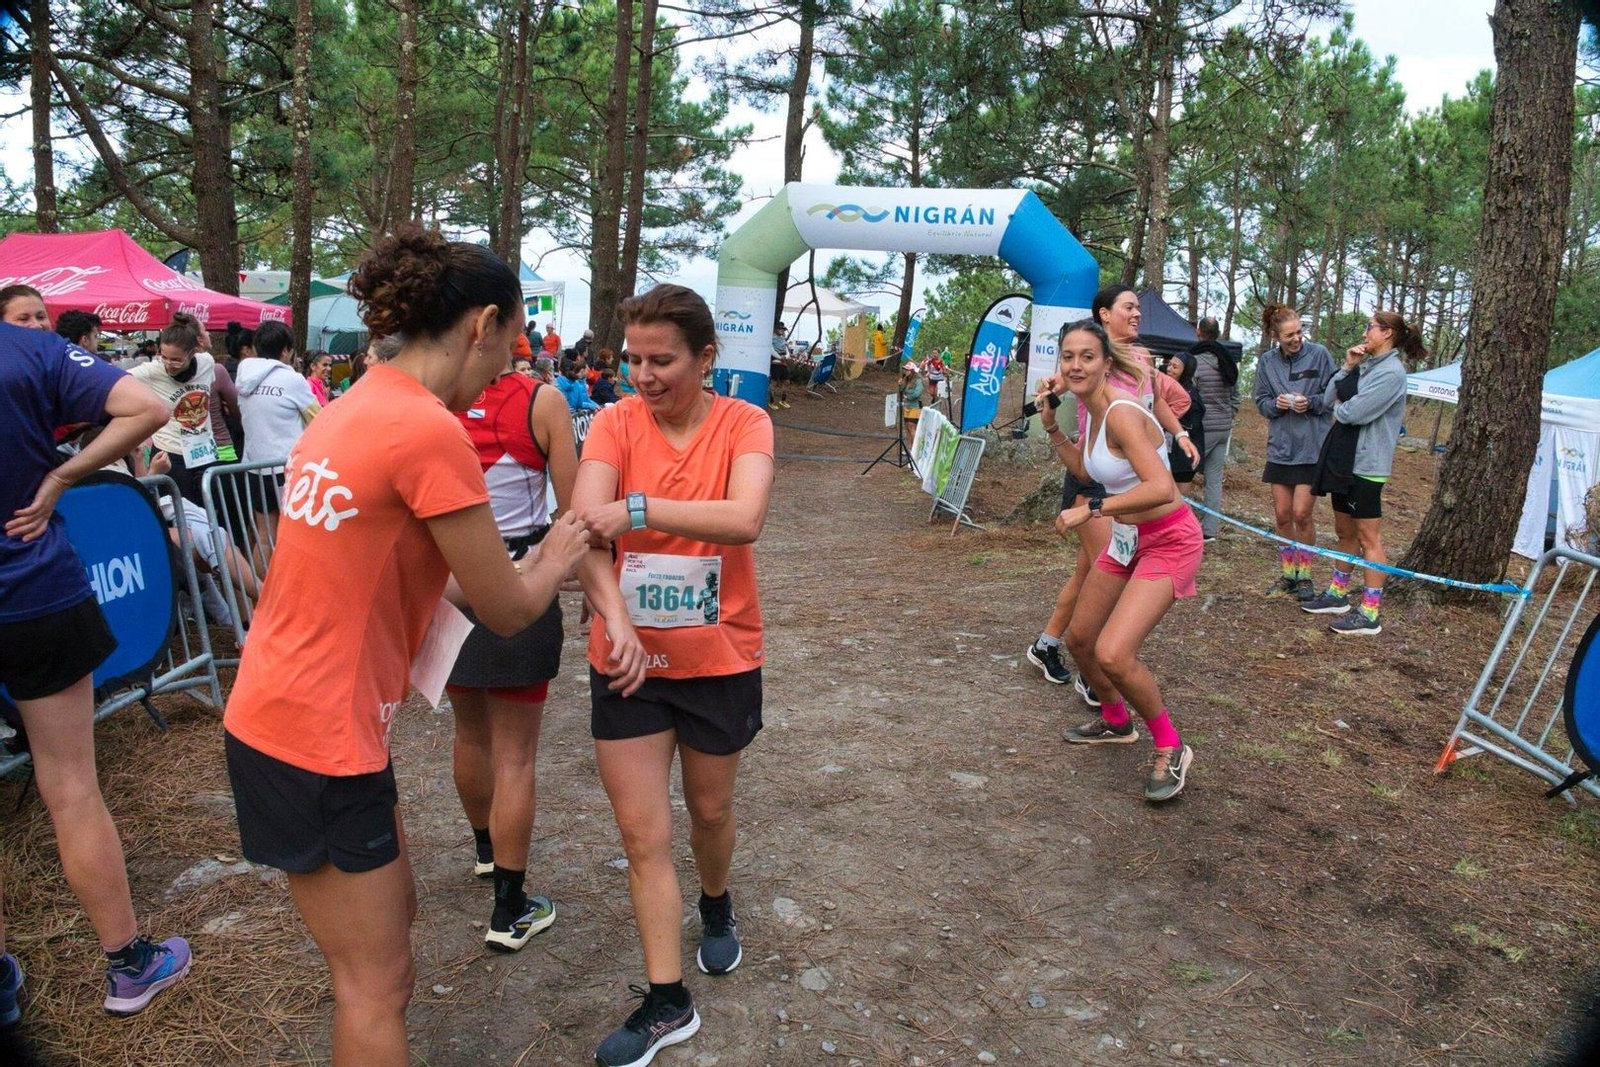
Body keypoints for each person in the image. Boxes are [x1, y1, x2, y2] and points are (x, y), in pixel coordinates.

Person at [222, 225, 592, 1066]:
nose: (511, 362)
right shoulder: (428, 431)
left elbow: (412, 566)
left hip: (290, 717)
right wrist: (559, 549)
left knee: (390, 946)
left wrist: (519, 566)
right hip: (316, 736)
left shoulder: (355, 403)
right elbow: (506, 607)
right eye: (512, 342)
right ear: (481, 323)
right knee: (377, 984)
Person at [571, 283, 773, 1067]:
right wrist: (614, 619)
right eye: (633, 359)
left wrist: (643, 506)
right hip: (628, 662)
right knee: (640, 833)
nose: (643, 375)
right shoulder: (615, 421)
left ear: (706, 359)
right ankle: (666, 999)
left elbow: (744, 516)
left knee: (710, 811)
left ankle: (716, 904)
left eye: (663, 360)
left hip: (718, 655)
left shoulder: (744, 421)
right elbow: (591, 522)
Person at [0, 323, 192, 1026]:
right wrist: (60, 475)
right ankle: (128, 962)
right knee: (72, 786)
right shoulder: (26, 347)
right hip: (32, 589)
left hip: (31, 592)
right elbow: (147, 408)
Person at [447, 336, 579, 951]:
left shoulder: (435, 400)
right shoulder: (542, 401)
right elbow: (574, 511)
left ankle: (483, 850)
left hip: (446, 587)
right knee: (516, 756)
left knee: (469, 731)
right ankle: (510, 906)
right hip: (520, 579)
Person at [1040, 319, 1201, 802]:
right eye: (1068, 356)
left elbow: (1162, 488)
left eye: (1087, 356)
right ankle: (1115, 720)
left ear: (1107, 362)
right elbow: (1092, 470)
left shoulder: (1123, 413)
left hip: (1170, 539)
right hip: (1130, 540)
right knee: (1081, 639)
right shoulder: (1092, 413)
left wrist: (1092, 508)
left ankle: (1171, 747)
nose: (1075, 365)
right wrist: (1050, 423)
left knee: (1113, 651)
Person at [1025, 286, 1198, 703]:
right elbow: (1059, 385)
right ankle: (1092, 666)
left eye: (1138, 307)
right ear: (1104, 315)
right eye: (1129, 307)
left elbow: (1155, 402)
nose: (1138, 314)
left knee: (1090, 572)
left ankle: (1054, 646)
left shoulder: (1139, 357)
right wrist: (1051, 395)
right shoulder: (1084, 356)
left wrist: (1180, 434)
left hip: (1128, 479)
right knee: (1100, 575)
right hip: (1097, 474)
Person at [1301, 310, 1418, 635]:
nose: (1365, 332)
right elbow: (1326, 400)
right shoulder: (1366, 365)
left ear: (1388, 334)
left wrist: (1341, 409)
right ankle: (1338, 594)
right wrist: (1348, 365)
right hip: (1343, 460)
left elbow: (1354, 413)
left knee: (1369, 538)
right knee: (1344, 532)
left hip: (1367, 465)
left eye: (1371, 327)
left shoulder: (1392, 373)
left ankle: (1370, 612)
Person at [1253, 304, 1335, 600]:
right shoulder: (1267, 362)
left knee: (1302, 514)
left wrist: (1310, 402)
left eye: (1299, 331)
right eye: (1290, 335)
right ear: (1276, 336)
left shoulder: (1320, 354)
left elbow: (1333, 393)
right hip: (1281, 449)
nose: (1297, 338)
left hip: (1312, 448)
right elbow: (1260, 400)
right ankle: (1289, 574)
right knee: (1283, 515)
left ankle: (1306, 576)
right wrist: (1277, 405)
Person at [130, 313, 240, 507]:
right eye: (164, 357)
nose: (169, 365)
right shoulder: (152, 371)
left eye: (176, 360)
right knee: (184, 516)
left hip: (205, 452)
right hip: (171, 455)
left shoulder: (206, 363)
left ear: (193, 352)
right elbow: (112, 378)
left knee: (213, 514)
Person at [1186, 318, 1239, 541]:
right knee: (1214, 480)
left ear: (1198, 332)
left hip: (1204, 429)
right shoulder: (1227, 361)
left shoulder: (1195, 362)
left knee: (1182, 475)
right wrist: (1228, 415)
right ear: (1217, 334)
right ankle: (1209, 530)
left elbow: (1189, 398)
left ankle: (1181, 527)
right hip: (1224, 428)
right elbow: (1235, 397)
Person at [1163, 353, 1206, 484]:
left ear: (1186, 371)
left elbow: (1192, 425)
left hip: (1182, 455)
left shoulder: (1192, 398)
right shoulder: (1165, 388)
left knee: (1181, 497)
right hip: (1167, 451)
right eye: (1169, 364)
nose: (1169, 369)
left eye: (1175, 367)